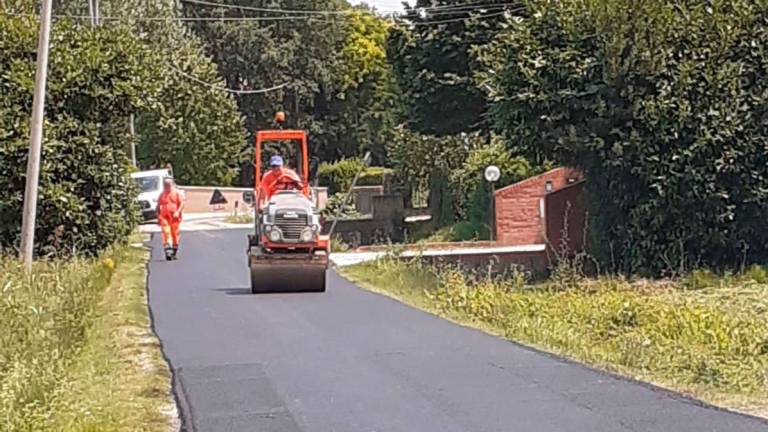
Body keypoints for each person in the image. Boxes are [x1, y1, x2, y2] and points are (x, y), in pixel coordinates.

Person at [157, 176, 185, 260]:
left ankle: (174, 251)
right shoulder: (162, 194)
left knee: (174, 235)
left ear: (171, 185)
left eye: (168, 185)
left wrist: (177, 212)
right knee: (166, 232)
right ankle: (168, 251)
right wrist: (158, 216)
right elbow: (158, 205)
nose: (166, 187)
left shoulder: (176, 194)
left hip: (175, 218)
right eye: (165, 185)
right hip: (164, 217)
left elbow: (182, 203)